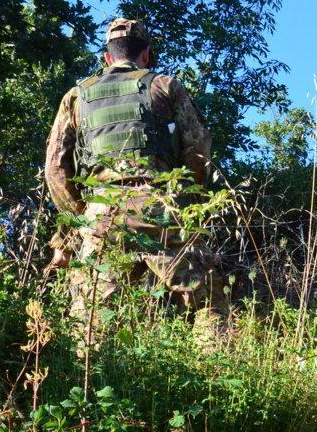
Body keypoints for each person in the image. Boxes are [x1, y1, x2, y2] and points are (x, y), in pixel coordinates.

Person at [44, 18, 226, 337]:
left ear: (107, 57)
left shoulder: (76, 97)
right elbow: (197, 149)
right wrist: (188, 203)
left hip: (102, 216)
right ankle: (216, 381)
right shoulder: (165, 86)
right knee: (208, 305)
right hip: (162, 207)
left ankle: (85, 382)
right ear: (145, 55)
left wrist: (80, 219)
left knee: (91, 323)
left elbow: (55, 170)